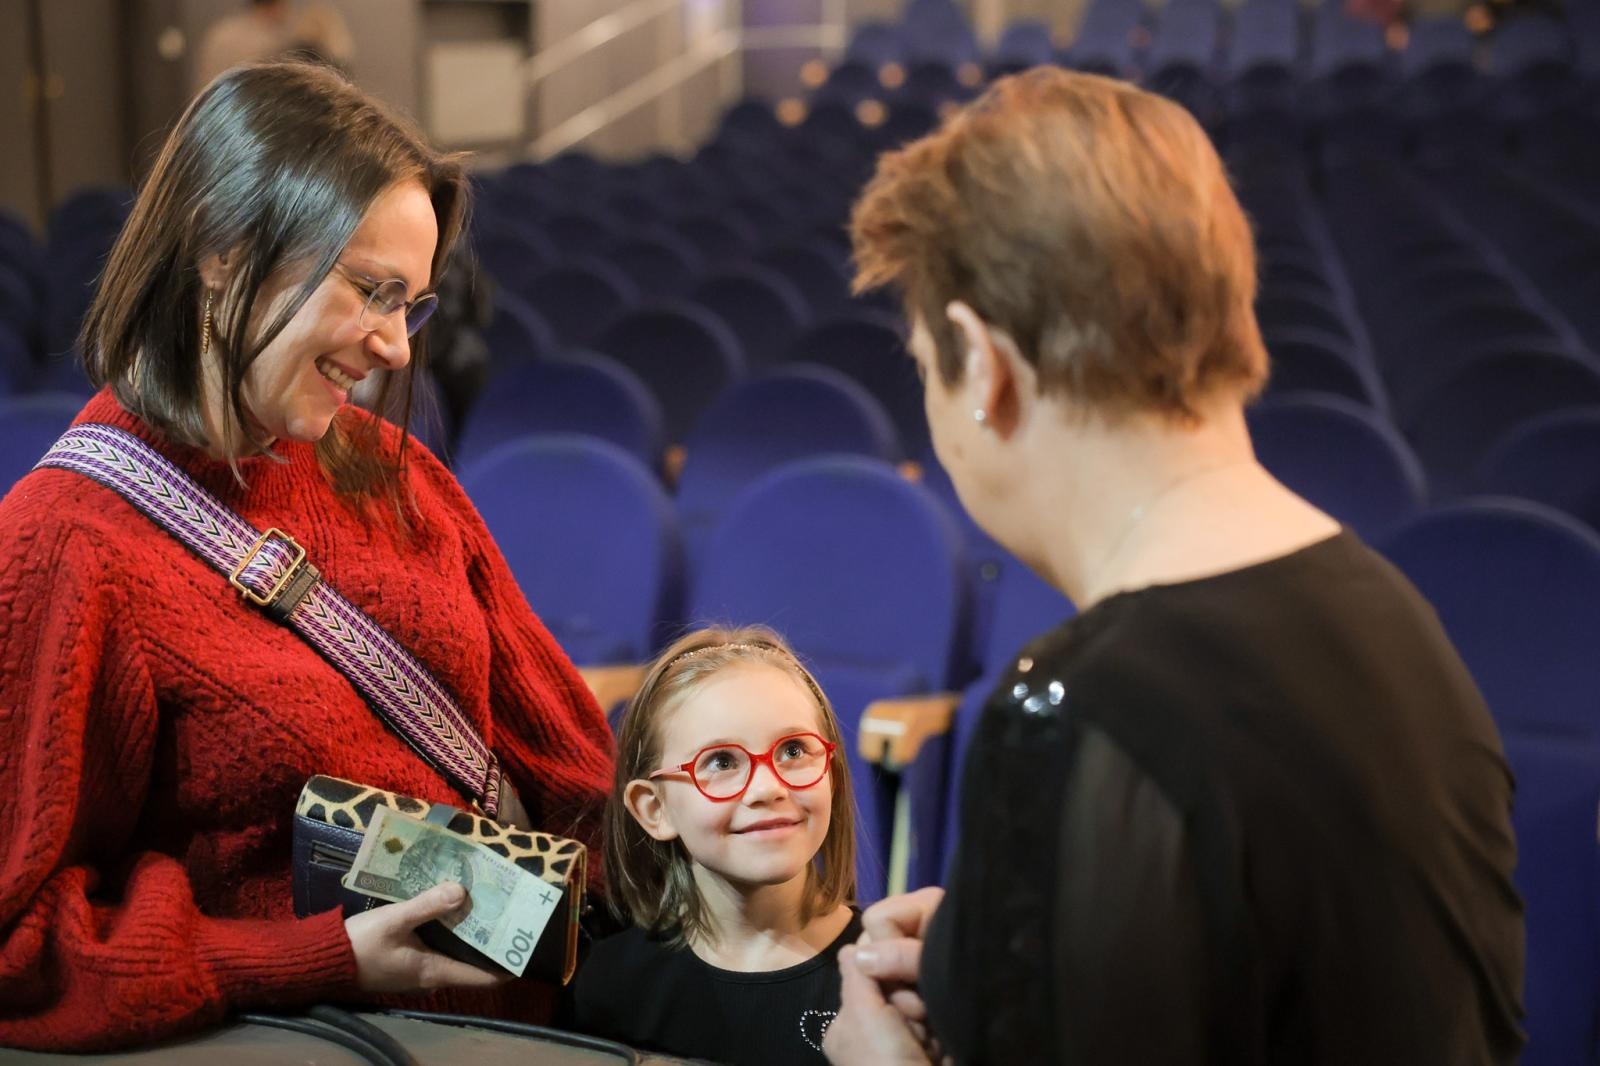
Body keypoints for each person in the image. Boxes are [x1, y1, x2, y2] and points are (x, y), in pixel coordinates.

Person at [824, 67, 1525, 1064]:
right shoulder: (1401, 621)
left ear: (982, 365)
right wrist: (1005, 946)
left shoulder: (1074, 709)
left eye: (923, 366)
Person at [0, 62, 613, 1051]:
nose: (398, 349)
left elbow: (573, 774)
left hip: (526, 1032)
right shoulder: (64, 540)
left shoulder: (395, 473)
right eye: (370, 291)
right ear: (221, 249)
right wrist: (310, 958)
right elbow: (22, 947)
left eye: (409, 303)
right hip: (328, 1042)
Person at [574, 627, 860, 1065]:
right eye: (721, 762)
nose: (768, 787)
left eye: (793, 751)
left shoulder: (892, 977)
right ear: (655, 809)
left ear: (831, 774)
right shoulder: (609, 984)